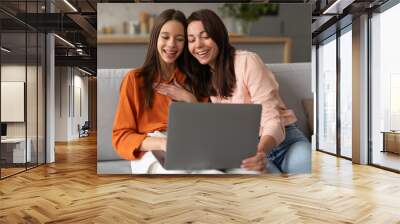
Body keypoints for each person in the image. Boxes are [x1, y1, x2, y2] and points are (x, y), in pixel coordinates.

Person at [154, 9, 311, 173]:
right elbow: (211, 127)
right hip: (243, 151)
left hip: (283, 141)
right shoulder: (200, 75)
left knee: (306, 166)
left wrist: (261, 151)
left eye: (205, 36)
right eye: (191, 40)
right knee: (266, 184)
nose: (198, 45)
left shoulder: (247, 61)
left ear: (218, 35)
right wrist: (188, 97)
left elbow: (271, 118)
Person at [112, 9, 207, 174]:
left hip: (190, 145)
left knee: (213, 176)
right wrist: (162, 143)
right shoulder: (134, 79)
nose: (171, 44)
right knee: (177, 174)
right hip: (151, 148)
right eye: (165, 37)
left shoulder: (196, 79)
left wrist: (190, 99)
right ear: (155, 38)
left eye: (179, 39)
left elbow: (208, 129)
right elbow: (121, 137)